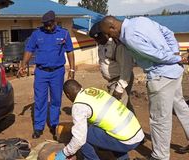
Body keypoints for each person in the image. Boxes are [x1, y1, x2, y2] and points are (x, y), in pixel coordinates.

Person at [100, 16, 189, 160]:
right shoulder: (140, 20)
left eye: (109, 34)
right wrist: (175, 53)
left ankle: (160, 156)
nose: (110, 37)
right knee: (181, 107)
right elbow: (168, 32)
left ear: (113, 28)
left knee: (159, 119)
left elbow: (156, 56)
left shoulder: (129, 38)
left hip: (161, 77)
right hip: (175, 72)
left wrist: (177, 58)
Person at [17, 10, 75, 139]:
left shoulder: (64, 33)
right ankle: (38, 127)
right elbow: (29, 50)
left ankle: (54, 125)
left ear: (54, 21)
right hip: (41, 72)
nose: (47, 27)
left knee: (56, 100)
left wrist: (72, 69)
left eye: (49, 24)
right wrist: (23, 65)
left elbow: (70, 51)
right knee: (40, 100)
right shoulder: (37, 34)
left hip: (57, 72)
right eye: (45, 25)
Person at [54, 79, 144, 160]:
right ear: (80, 86)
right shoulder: (93, 90)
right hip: (136, 132)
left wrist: (64, 153)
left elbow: (79, 139)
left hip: (127, 140)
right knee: (104, 131)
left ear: (68, 95)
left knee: (85, 137)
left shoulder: (79, 106)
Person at [89, 22, 135, 112]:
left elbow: (126, 68)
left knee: (116, 111)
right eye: (96, 39)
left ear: (105, 33)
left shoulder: (117, 45)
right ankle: (135, 125)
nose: (98, 41)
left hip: (120, 80)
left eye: (99, 38)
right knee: (125, 107)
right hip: (112, 81)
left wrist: (119, 88)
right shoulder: (102, 44)